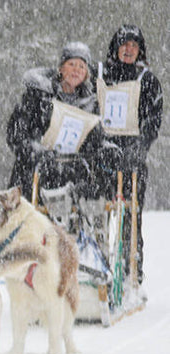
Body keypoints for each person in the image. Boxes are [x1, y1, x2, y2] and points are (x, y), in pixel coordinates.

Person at [6, 41, 120, 202]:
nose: (76, 70)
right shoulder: (38, 96)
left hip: (74, 173)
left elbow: (95, 139)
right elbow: (16, 134)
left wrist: (106, 149)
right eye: (71, 64)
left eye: (81, 66)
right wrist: (35, 152)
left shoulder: (91, 103)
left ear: (87, 73)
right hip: (37, 172)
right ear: (61, 68)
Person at [98, 24, 162, 284]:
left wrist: (139, 147)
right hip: (102, 155)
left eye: (134, 46)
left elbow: (153, 119)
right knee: (97, 211)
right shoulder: (100, 74)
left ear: (140, 51)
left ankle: (130, 271)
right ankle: (98, 264)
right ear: (116, 46)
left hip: (132, 158)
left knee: (131, 216)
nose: (128, 49)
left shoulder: (147, 80)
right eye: (124, 44)